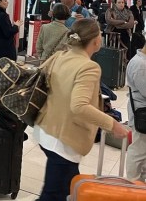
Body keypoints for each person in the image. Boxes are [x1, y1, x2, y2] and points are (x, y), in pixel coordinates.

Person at [34, 19, 129, 201]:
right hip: (63, 140)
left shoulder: (60, 56)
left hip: (46, 130)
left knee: (66, 189)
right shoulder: (89, 67)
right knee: (54, 195)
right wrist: (112, 124)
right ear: (95, 40)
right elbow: (79, 106)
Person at [126, 41, 146, 181]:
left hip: (140, 110)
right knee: (138, 150)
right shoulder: (140, 65)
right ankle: (133, 182)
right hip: (141, 112)